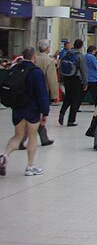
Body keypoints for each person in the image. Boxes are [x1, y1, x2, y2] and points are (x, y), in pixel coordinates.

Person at [0, 47, 50, 177]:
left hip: (18, 108)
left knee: (18, 136)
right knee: (32, 136)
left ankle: (4, 156)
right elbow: (42, 94)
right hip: (32, 109)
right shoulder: (36, 72)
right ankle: (30, 166)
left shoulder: (15, 68)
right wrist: (45, 112)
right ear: (34, 57)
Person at [18, 39, 58, 150]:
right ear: (47, 48)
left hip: (27, 91)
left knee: (31, 116)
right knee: (39, 116)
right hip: (41, 90)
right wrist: (55, 95)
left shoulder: (33, 59)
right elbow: (52, 79)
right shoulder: (49, 61)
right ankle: (23, 139)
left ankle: (43, 137)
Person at [58, 38, 87, 126]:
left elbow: (61, 64)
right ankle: (71, 120)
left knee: (67, 97)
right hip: (76, 79)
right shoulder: (80, 56)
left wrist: (62, 77)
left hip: (67, 78)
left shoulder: (67, 53)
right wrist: (85, 82)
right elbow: (83, 70)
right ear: (81, 46)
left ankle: (62, 112)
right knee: (75, 99)